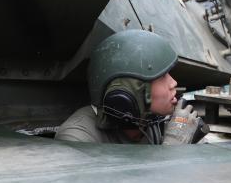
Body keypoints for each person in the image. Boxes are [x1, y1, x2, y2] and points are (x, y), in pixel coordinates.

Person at [55, 29, 206, 145]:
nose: (174, 83)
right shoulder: (76, 138)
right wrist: (172, 148)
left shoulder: (147, 121)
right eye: (161, 76)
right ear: (128, 93)